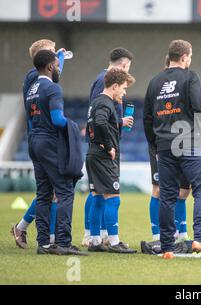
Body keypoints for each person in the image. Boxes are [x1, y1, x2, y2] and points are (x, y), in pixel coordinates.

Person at [143, 39, 201, 259]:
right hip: (189, 142)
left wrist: (154, 145)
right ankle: (200, 239)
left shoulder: (155, 81)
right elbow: (199, 105)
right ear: (185, 56)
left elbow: (147, 117)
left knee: (167, 195)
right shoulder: (190, 76)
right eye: (191, 56)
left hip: (165, 147)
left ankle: (167, 247)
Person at [26, 50, 86, 255]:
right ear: (50, 67)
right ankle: (63, 242)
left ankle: (43, 244)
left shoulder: (32, 87)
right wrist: (74, 126)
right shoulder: (52, 88)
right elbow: (58, 120)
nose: (59, 68)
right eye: (57, 65)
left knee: (43, 193)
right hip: (49, 142)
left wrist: (59, 55)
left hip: (33, 141)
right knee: (65, 191)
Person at [11, 39, 61, 249]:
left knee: (49, 192)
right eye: (52, 52)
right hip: (43, 137)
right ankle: (47, 239)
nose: (56, 55)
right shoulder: (37, 77)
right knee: (53, 192)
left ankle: (31, 231)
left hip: (37, 136)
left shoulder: (33, 78)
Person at [82, 48, 134, 247]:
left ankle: (97, 237)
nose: (124, 92)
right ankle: (106, 238)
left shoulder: (103, 87)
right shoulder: (103, 86)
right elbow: (99, 119)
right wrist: (109, 144)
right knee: (110, 194)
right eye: (123, 88)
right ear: (123, 66)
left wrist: (118, 122)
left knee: (97, 193)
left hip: (99, 147)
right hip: (104, 148)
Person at [147, 55, 191, 243]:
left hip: (183, 143)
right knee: (159, 190)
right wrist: (154, 144)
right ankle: (158, 234)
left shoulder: (186, 82)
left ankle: (181, 232)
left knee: (183, 191)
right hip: (162, 143)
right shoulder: (157, 85)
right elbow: (148, 115)